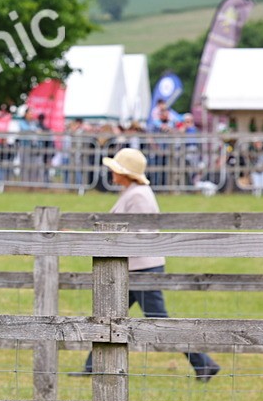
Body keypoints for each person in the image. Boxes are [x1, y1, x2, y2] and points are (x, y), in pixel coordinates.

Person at [72, 147, 219, 381]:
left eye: (115, 169)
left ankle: (204, 363)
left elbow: (141, 233)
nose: (111, 172)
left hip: (141, 268)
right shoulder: (132, 192)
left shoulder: (138, 195)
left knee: (157, 320)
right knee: (110, 316)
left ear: (125, 173)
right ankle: (92, 367)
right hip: (132, 268)